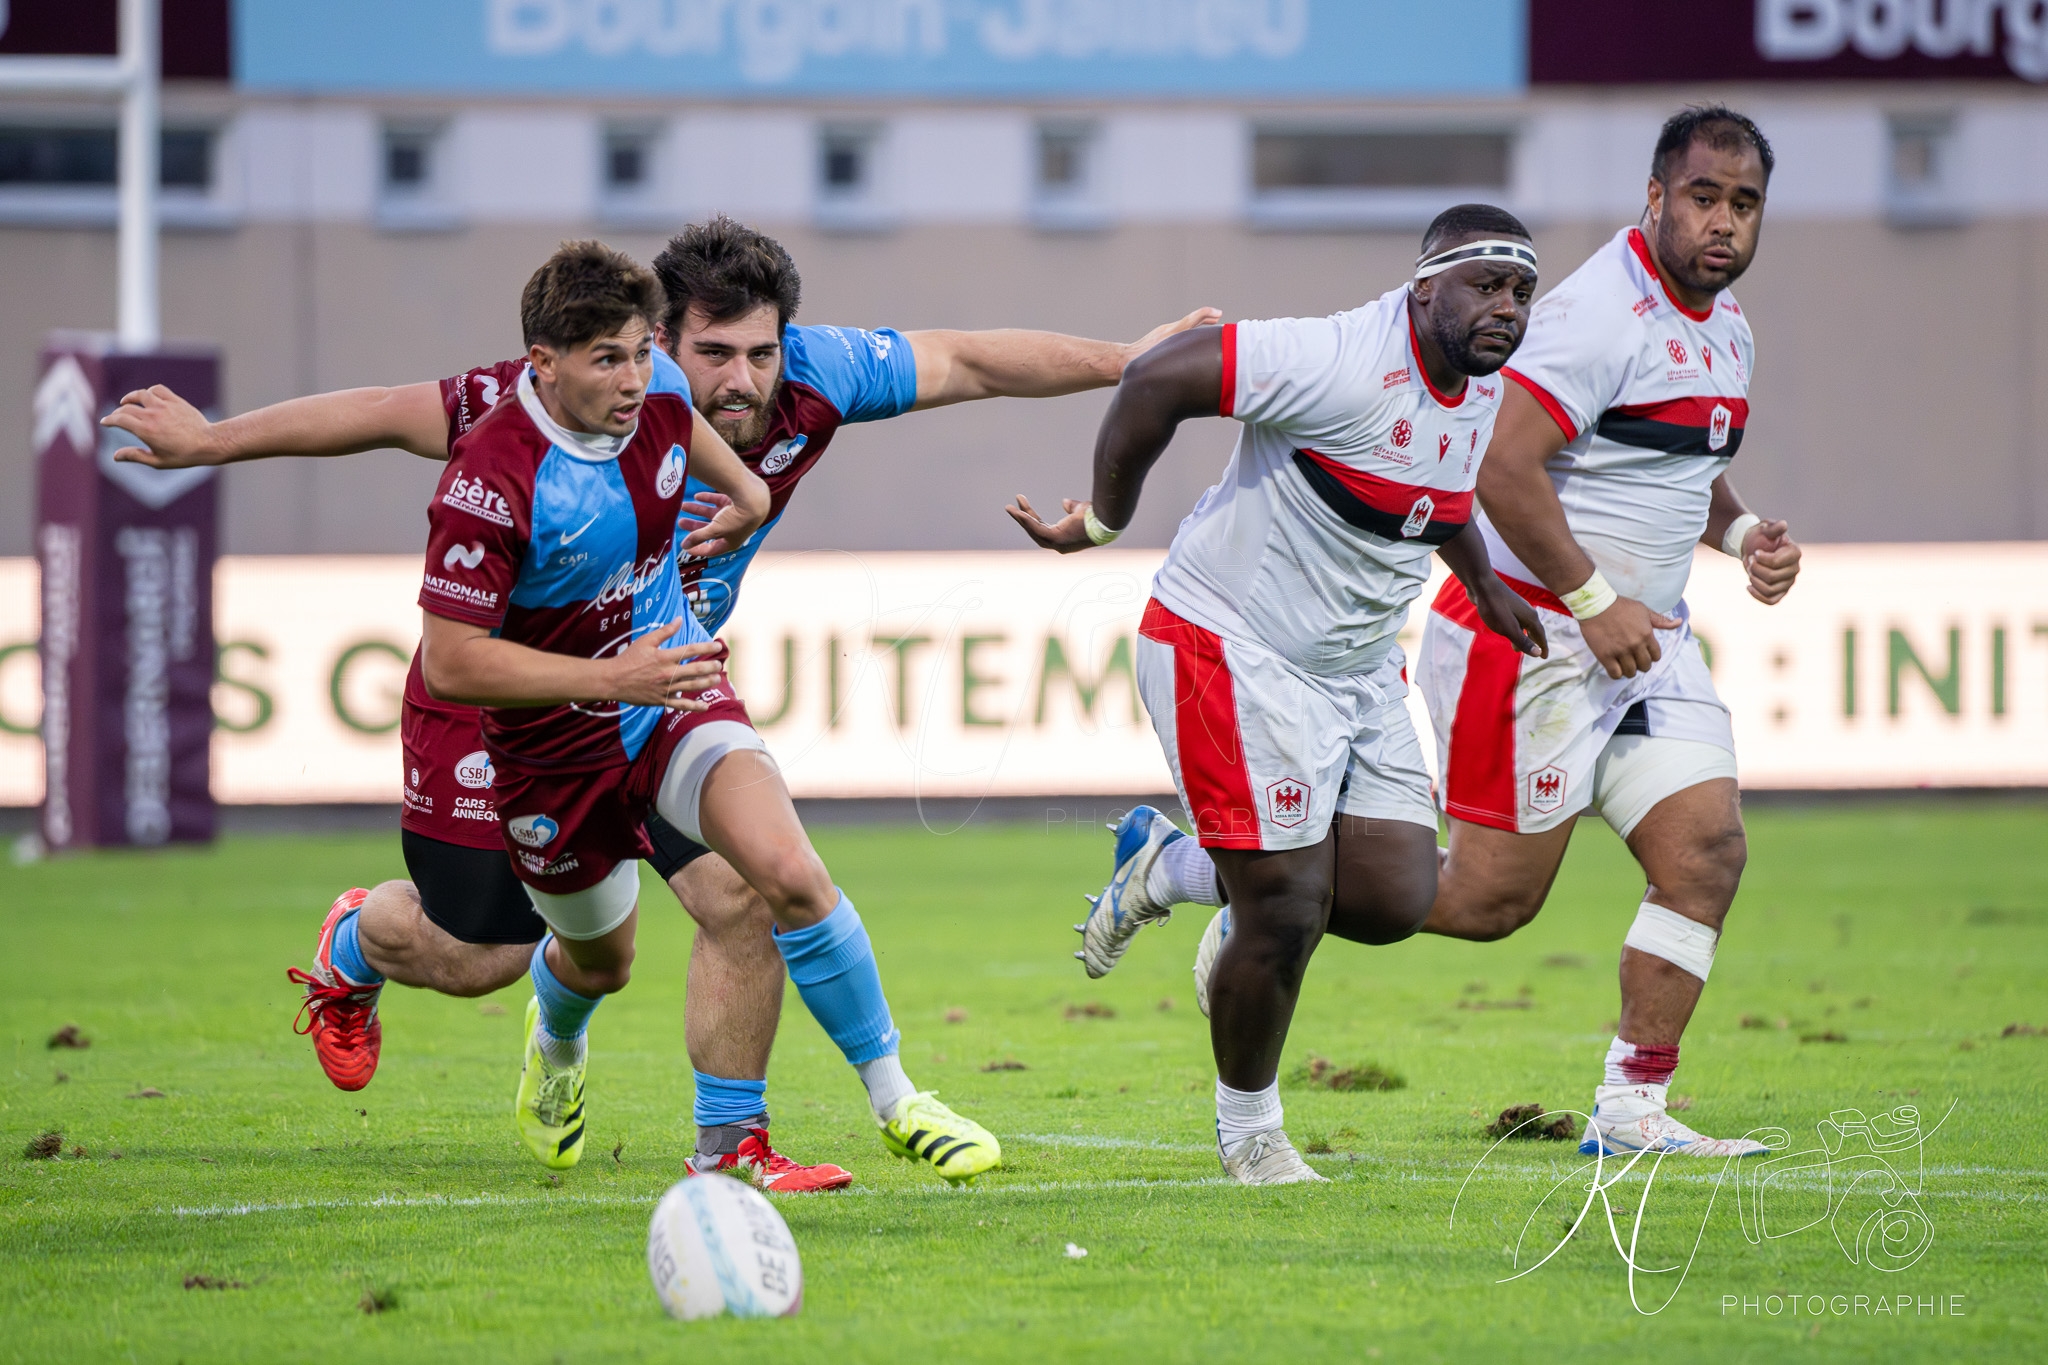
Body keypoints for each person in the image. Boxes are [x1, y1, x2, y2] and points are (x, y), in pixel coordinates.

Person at [104, 216, 1214, 1188]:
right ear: (654, 343)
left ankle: (739, 1142)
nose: (739, 380)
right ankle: (361, 943)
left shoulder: (811, 377)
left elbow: (967, 358)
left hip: (667, 678)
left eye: (760, 354)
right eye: (711, 354)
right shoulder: (576, 395)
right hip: (512, 701)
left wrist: (1134, 358)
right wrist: (212, 443)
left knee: (749, 888)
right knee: (492, 949)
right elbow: (391, 412)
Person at [1091, 109, 1802, 1162]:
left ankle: (1629, 1106)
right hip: (1538, 639)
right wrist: (1585, 597)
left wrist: (1738, 531)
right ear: (1653, 199)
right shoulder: (1588, 317)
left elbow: (1669, 461)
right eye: (1702, 197)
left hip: (1646, 641)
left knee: (1704, 851)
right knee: (1466, 903)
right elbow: (1499, 467)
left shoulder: (1723, 326)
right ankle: (1212, 888)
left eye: (1742, 204)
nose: (1722, 222)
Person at [410, 238, 1000, 1182]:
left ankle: (874, 1105)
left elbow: (748, 474)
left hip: (673, 695)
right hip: (555, 744)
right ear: (545, 364)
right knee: (590, 957)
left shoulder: (667, 401)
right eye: (613, 358)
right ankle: (554, 1040)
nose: (639, 377)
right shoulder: (491, 472)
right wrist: (215, 442)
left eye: (642, 353)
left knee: (776, 876)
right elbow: (450, 663)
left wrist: (751, 500)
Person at [1007, 205, 1547, 1184]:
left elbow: (1436, 496)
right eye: (1486, 286)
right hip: (1232, 646)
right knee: (1288, 906)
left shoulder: (1478, 379)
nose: (1505, 307)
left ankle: (1170, 866)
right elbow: (1155, 379)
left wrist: (1486, 587)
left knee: (1392, 898)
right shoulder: (1335, 357)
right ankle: (1250, 1136)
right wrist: (1104, 523)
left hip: (1356, 663)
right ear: (1425, 285)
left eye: (1520, 291)